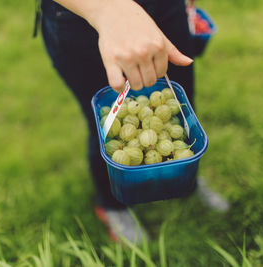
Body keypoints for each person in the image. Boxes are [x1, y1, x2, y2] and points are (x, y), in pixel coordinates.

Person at [39, 0, 229, 242]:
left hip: (166, 6)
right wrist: (106, 9)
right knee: (106, 125)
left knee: (181, 112)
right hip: (81, 17)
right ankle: (113, 205)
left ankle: (186, 181)